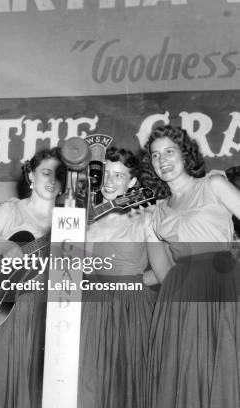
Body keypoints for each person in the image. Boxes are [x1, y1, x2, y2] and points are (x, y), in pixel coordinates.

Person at [141, 125, 240, 408]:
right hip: (181, 294)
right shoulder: (156, 210)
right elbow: (160, 265)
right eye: (156, 156)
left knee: (225, 366)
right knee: (186, 372)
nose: (163, 160)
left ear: (185, 154)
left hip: (225, 283)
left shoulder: (213, 185)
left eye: (169, 152)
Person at [0, 147, 64, 408]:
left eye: (59, 174)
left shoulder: (70, 219)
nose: (52, 180)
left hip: (51, 315)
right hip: (10, 313)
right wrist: (4, 247)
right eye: (45, 172)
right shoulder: (10, 211)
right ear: (31, 175)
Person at [78, 147, 169, 408]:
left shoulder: (146, 217)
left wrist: (130, 283)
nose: (109, 181)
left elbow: (162, 272)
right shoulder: (84, 218)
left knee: (125, 386)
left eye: (118, 176)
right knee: (86, 384)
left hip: (130, 310)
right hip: (87, 307)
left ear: (131, 182)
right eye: (106, 173)